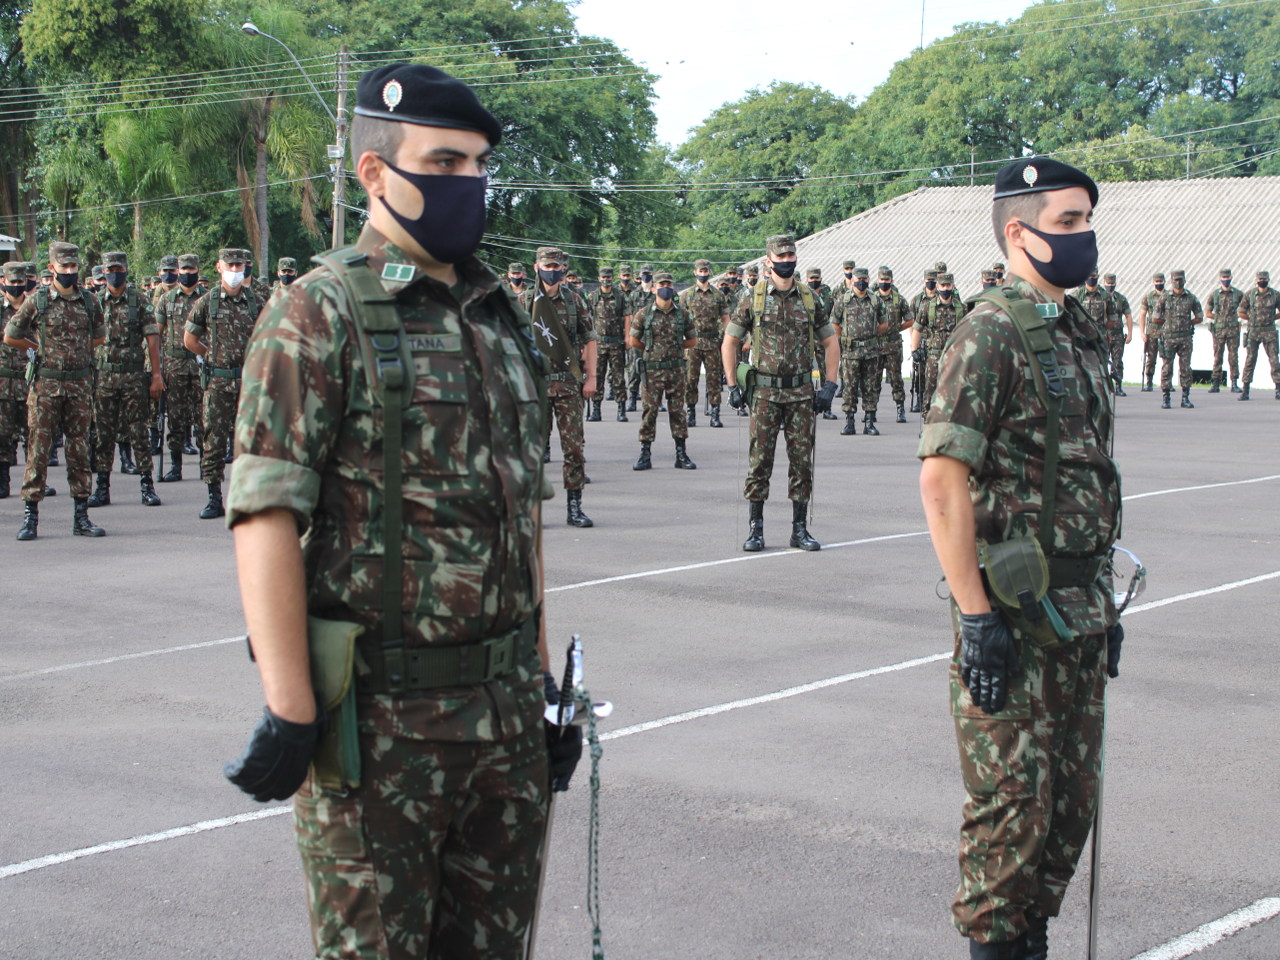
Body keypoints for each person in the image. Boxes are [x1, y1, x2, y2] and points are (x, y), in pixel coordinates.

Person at [222, 61, 580, 960]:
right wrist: (293, 709)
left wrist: (540, 690)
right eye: (446, 162)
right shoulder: (319, 311)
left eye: (478, 165)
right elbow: (265, 512)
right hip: (384, 731)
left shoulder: (498, 317)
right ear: (376, 173)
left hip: (503, 722)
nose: (470, 184)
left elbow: (520, 519)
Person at [918, 157, 1122, 960]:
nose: (1083, 238)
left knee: (1066, 814)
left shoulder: (1075, 329)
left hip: (1076, 615)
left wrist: (1099, 597)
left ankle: (1028, 943)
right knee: (1011, 819)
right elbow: (942, 477)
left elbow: (1083, 475)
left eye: (1084, 222)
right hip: (1012, 619)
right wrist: (976, 620)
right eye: (1067, 223)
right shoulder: (991, 331)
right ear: (1019, 232)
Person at [722, 235, 838, 552]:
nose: (787, 259)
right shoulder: (753, 299)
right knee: (760, 462)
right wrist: (732, 385)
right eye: (781, 254)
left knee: (801, 463)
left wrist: (830, 384)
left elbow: (830, 341)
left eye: (791, 253)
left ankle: (799, 530)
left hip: (801, 393)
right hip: (764, 393)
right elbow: (730, 341)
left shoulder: (810, 299)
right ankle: (755, 529)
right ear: (768, 261)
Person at [3, 242, 108, 539]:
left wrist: (76, 353)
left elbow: (99, 336)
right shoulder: (38, 301)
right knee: (38, 451)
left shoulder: (89, 301)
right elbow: (11, 335)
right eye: (64, 268)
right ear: (52, 269)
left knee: (79, 451)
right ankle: (30, 518)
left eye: (74, 267)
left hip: (78, 386)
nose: (70, 272)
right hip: (46, 387)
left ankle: (81, 517)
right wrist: (39, 349)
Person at [518, 246, 597, 527]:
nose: (552, 271)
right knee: (532, 449)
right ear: (536, 266)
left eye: (557, 266)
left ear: (565, 269)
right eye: (547, 265)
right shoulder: (523, 301)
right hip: (534, 386)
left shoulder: (575, 300)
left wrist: (592, 377)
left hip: (567, 384)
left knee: (574, 449)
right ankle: (531, 509)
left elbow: (589, 339)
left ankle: (574, 507)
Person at [183, 248, 262, 518]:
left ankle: (248, 497)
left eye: (239, 265)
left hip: (249, 383)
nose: (235, 270)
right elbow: (189, 340)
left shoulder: (256, 302)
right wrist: (211, 355)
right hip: (217, 383)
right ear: (219, 267)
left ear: (246, 267)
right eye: (230, 265)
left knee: (250, 442)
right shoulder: (208, 302)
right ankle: (214, 498)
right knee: (213, 441)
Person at [86, 252, 165, 508]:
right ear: (103, 270)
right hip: (104, 376)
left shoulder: (140, 301)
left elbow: (153, 339)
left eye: (119, 267)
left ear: (127, 270)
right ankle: (102, 487)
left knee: (139, 431)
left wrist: (156, 375)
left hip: (133, 376)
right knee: (103, 434)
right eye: (110, 267)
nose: (114, 272)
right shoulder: (94, 301)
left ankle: (147, 486)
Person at [630, 270, 697, 469]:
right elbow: (634, 340)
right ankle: (645, 454)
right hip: (652, 371)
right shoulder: (644, 313)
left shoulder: (682, 313)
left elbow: (693, 340)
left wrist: (675, 348)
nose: (665, 288)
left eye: (668, 285)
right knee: (649, 412)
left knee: (678, 412)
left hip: (676, 369)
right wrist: (651, 350)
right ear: (654, 288)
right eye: (661, 285)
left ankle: (681, 454)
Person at [156, 254, 204, 481]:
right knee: (175, 418)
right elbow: (156, 334)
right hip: (174, 366)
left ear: (198, 270)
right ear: (177, 271)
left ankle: (207, 464)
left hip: (200, 365)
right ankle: (175, 465)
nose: (187, 273)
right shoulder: (167, 299)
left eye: (191, 269)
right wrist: (156, 370)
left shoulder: (207, 298)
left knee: (203, 417)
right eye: (183, 269)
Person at [831, 266, 887, 435]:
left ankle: (869, 422)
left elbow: (884, 324)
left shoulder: (875, 300)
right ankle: (849, 422)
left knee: (870, 388)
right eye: (858, 279)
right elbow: (834, 323)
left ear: (868, 281)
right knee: (850, 387)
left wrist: (871, 336)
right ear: (852, 280)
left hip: (870, 352)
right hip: (850, 353)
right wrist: (845, 339)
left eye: (864, 280)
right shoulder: (843, 300)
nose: (861, 283)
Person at [682, 258, 732, 428]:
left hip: (712, 341)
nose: (703, 274)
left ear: (709, 272)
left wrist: (726, 339)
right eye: (700, 271)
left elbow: (726, 318)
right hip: (693, 342)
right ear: (695, 272)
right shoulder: (687, 295)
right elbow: (680, 319)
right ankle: (691, 413)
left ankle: (715, 414)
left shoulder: (718, 295)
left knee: (714, 379)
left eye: (705, 271)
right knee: (691, 379)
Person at [911, 271, 965, 415]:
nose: (946, 289)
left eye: (948, 285)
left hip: (954, 356)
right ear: (938, 286)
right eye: (943, 285)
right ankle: (929, 421)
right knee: (930, 389)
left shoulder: (961, 308)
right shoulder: (928, 307)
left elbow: (968, 332)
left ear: (953, 286)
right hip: (933, 356)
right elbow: (917, 328)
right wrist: (914, 350)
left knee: (954, 390)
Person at [1150, 269, 1202, 409]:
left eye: (1180, 280)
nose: (1178, 282)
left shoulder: (1191, 298)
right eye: (1175, 280)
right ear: (1171, 281)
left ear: (1184, 280)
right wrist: (1167, 324)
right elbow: (1155, 317)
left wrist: (1188, 323)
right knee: (1167, 368)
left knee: (1185, 368)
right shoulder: (1165, 298)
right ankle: (1166, 397)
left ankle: (1185, 397)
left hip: (1185, 339)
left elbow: (1199, 316)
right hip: (1169, 338)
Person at [0, 261, 31, 498]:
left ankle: (33, 481)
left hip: (29, 381)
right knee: (2, 434)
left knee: (33, 433)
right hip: (3, 382)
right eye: (12, 282)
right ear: (3, 282)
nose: (17, 286)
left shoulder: (33, 308)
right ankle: (3, 481)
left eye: (21, 282)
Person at [586, 266, 629, 422]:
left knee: (618, 377)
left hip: (616, 343)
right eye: (603, 277)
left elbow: (627, 317)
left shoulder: (620, 297)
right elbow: (587, 320)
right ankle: (596, 410)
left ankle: (621, 409)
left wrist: (627, 338)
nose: (606, 280)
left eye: (609, 277)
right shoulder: (592, 297)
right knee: (597, 376)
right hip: (598, 344)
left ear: (613, 278)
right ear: (599, 279)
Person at [873, 265, 913, 423]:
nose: (884, 282)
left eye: (887, 280)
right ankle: (871, 411)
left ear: (892, 281)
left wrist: (897, 328)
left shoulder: (899, 299)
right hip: (875, 346)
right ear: (878, 280)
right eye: (882, 280)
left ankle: (900, 409)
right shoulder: (872, 298)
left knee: (896, 379)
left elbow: (910, 320)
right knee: (873, 380)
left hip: (893, 345)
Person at [1237, 269, 1280, 401]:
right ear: (1256, 280)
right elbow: (1240, 312)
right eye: (1260, 279)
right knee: (1250, 360)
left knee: (1274, 360)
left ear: (1268, 280)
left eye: (1264, 279)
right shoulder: (1250, 295)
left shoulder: (1275, 295)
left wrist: (1272, 318)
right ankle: (1245, 390)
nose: (1262, 281)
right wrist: (1251, 318)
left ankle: (1278, 389)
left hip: (1269, 331)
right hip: (1254, 331)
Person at [1204, 267, 1244, 393]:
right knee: (1217, 357)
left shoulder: (1238, 294)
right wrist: (1220, 318)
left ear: (1231, 278)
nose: (1226, 280)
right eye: (1223, 278)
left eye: (1227, 277)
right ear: (1220, 278)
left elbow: (1244, 310)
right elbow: (1208, 312)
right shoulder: (1215, 295)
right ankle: (1216, 383)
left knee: (1233, 357)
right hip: (1219, 331)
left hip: (1233, 330)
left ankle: (1234, 383)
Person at [1101, 273, 1131, 395]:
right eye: (1108, 284)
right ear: (1104, 283)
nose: (1110, 286)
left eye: (1112, 284)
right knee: (1103, 361)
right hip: (1104, 334)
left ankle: (1118, 387)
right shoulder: (1100, 297)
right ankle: (1104, 387)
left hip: (1118, 334)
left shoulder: (1121, 299)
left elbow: (1128, 315)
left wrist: (1130, 334)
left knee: (1117, 361)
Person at [1135, 272, 1166, 391]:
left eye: (1161, 281)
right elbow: (1142, 315)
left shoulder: (1169, 296)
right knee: (1151, 358)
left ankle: (1165, 382)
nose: (1159, 284)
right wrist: (1142, 332)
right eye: (1157, 282)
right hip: (1152, 332)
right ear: (1153, 282)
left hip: (1166, 331)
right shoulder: (1148, 297)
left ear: (1164, 281)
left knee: (1167, 358)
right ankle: (1149, 381)